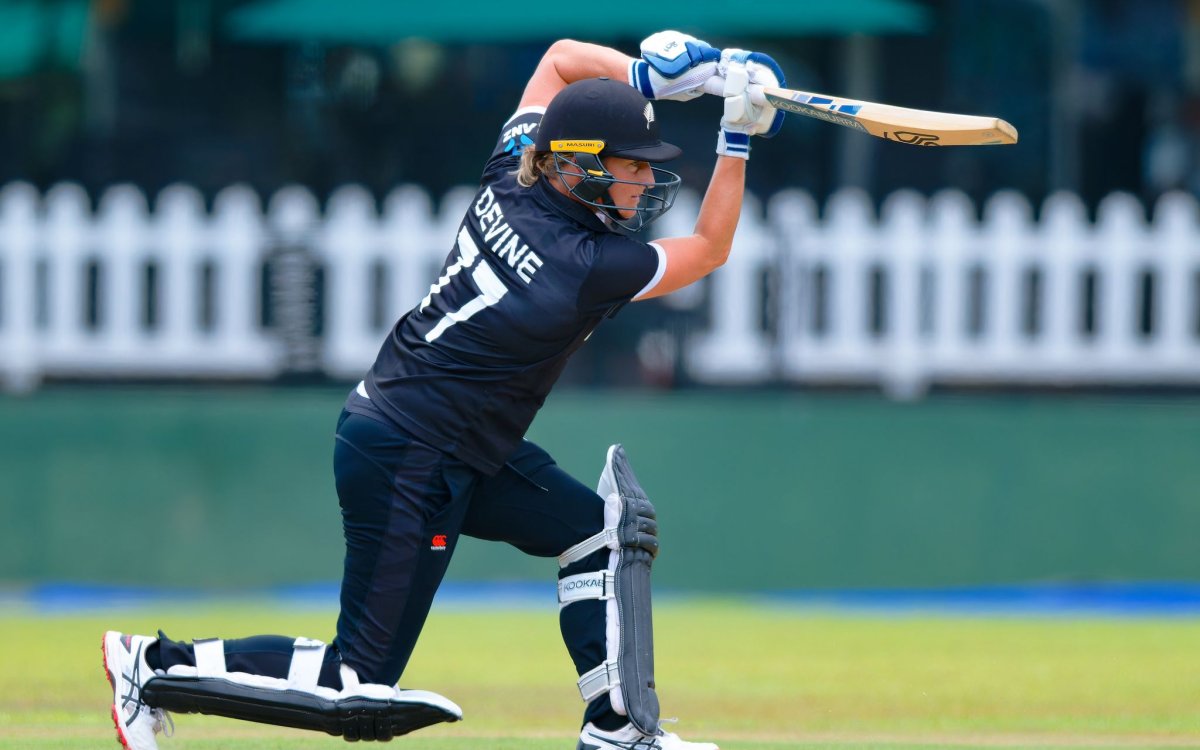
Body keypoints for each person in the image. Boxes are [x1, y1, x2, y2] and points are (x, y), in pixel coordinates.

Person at [102, 32, 784, 750]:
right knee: (354, 685)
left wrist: (645, 77)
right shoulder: (582, 265)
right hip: (410, 454)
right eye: (632, 168)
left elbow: (557, 58)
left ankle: (618, 729)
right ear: (577, 167)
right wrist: (735, 137)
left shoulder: (513, 173)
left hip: (442, 438)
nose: (645, 184)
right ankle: (149, 667)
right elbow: (709, 247)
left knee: (599, 532)